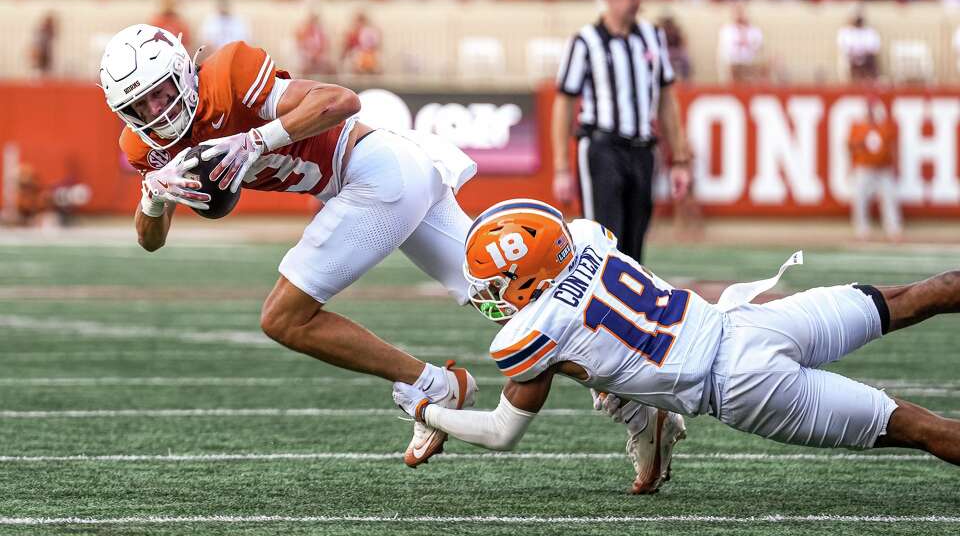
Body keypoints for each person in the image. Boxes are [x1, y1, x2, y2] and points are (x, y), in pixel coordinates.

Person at [97, 24, 480, 467]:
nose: (156, 110)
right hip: (389, 176)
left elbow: (342, 101)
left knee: (283, 318)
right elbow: (150, 242)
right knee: (499, 285)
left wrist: (256, 139)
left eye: (161, 92)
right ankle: (583, 355)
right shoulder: (144, 147)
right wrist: (153, 194)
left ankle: (433, 385)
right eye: (140, 104)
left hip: (374, 172)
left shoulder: (228, 75)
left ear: (182, 69)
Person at [395, 199, 960, 493]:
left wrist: (428, 410)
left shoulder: (534, 333)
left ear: (523, 276)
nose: (493, 299)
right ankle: (639, 416)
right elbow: (611, 341)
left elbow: (500, 432)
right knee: (922, 295)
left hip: (741, 387)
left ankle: (640, 414)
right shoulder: (590, 239)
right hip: (753, 323)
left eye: (495, 286)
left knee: (922, 429)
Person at [553, 0, 691, 264]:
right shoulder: (586, 42)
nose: (637, 2)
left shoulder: (652, 37)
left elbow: (667, 96)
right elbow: (564, 103)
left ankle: (628, 312)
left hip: (642, 149)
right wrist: (562, 166)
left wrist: (679, 157)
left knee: (635, 248)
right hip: (602, 149)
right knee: (600, 244)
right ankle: (597, 312)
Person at [848, 103, 902, 241]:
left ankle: (893, 228)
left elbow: (891, 147)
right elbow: (851, 146)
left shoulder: (884, 127)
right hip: (864, 167)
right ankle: (861, 228)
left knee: (889, 197)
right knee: (860, 198)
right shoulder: (858, 127)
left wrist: (894, 165)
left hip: (883, 168)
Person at [837, 11, 881, 82]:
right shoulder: (845, 32)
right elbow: (843, 46)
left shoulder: (869, 31)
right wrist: (854, 53)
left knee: (871, 59)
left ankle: (871, 81)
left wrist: (864, 53)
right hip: (852, 57)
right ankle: (854, 82)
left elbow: (875, 47)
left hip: (867, 57)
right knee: (850, 60)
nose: (858, 22)